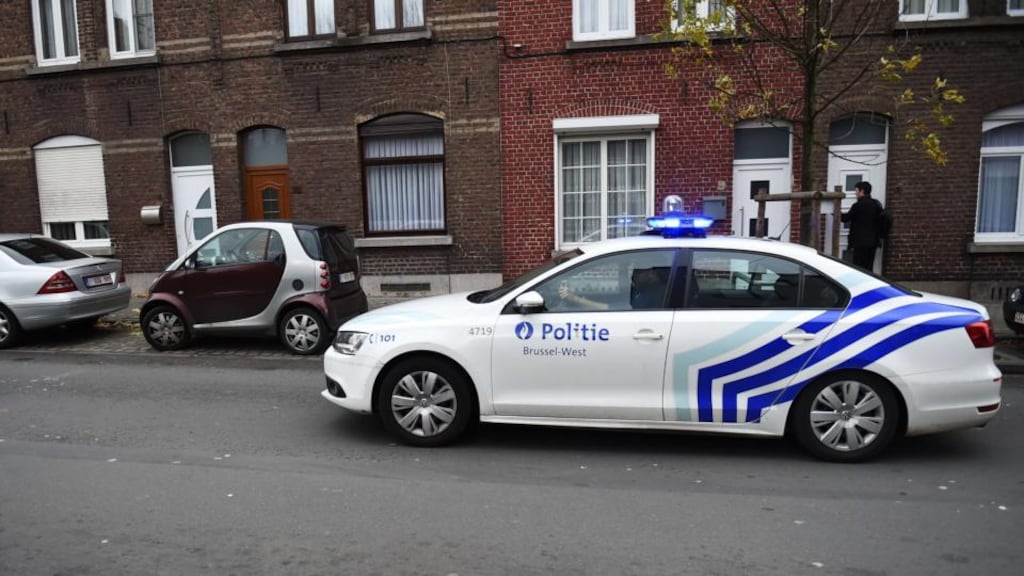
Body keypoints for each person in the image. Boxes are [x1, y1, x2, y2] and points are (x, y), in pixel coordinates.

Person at [841, 181, 882, 271]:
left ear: (861, 191)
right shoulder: (876, 204)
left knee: (859, 268)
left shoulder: (858, 205)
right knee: (869, 267)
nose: (855, 193)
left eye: (856, 190)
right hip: (873, 241)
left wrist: (835, 212)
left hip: (859, 242)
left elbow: (846, 218)